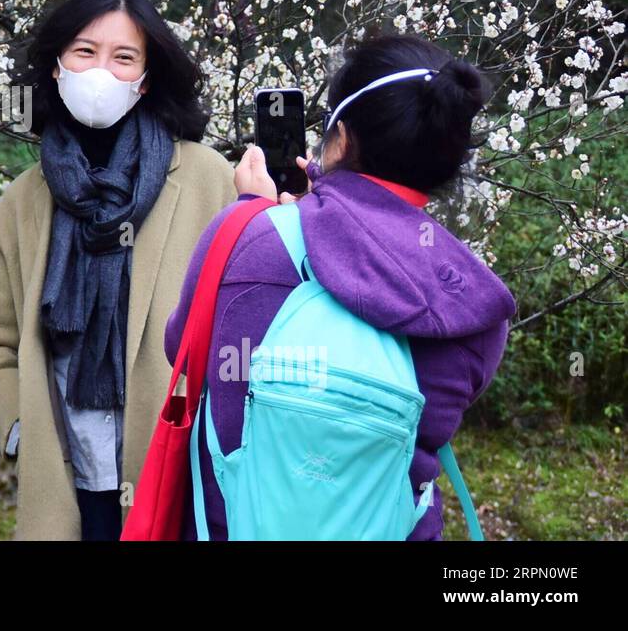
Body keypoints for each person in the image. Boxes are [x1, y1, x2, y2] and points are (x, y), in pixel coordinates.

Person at [165, 33, 515, 540]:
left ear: (342, 139)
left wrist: (252, 214)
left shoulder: (245, 236)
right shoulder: (478, 301)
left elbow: (184, 353)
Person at [0, 0, 237, 540]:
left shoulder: (209, 179)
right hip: (70, 472)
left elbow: (246, 317)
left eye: (123, 57)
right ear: (56, 66)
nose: (100, 73)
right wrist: (20, 429)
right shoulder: (20, 204)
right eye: (85, 52)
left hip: (181, 469)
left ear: (145, 79)